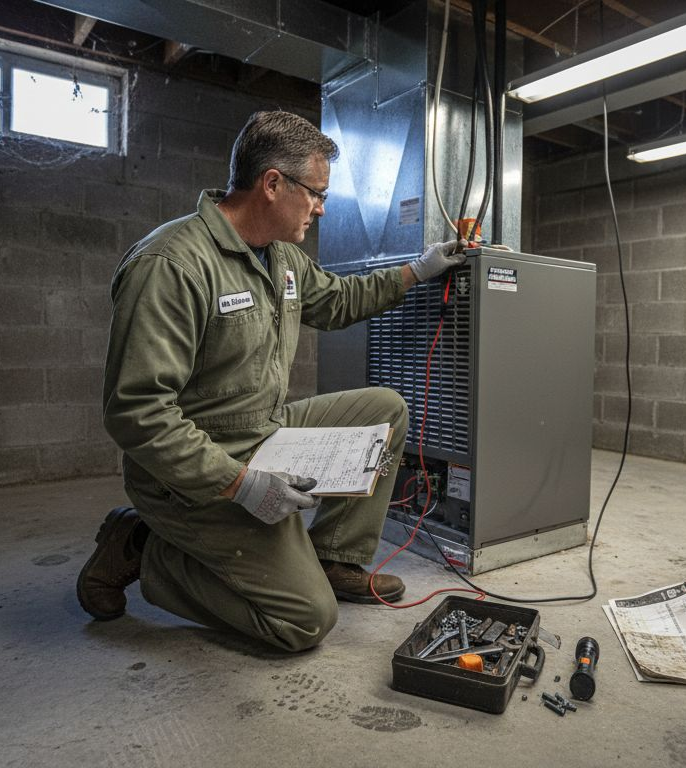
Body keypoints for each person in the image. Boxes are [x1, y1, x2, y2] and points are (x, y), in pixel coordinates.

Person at [76, 110, 464, 652]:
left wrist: (416, 272)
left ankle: (335, 559)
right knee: (304, 621)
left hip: (265, 432)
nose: (321, 209)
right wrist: (241, 484)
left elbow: (336, 299)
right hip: (193, 474)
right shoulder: (172, 265)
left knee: (385, 409)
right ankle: (143, 548)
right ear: (273, 184)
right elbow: (137, 413)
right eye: (315, 194)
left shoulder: (281, 257)